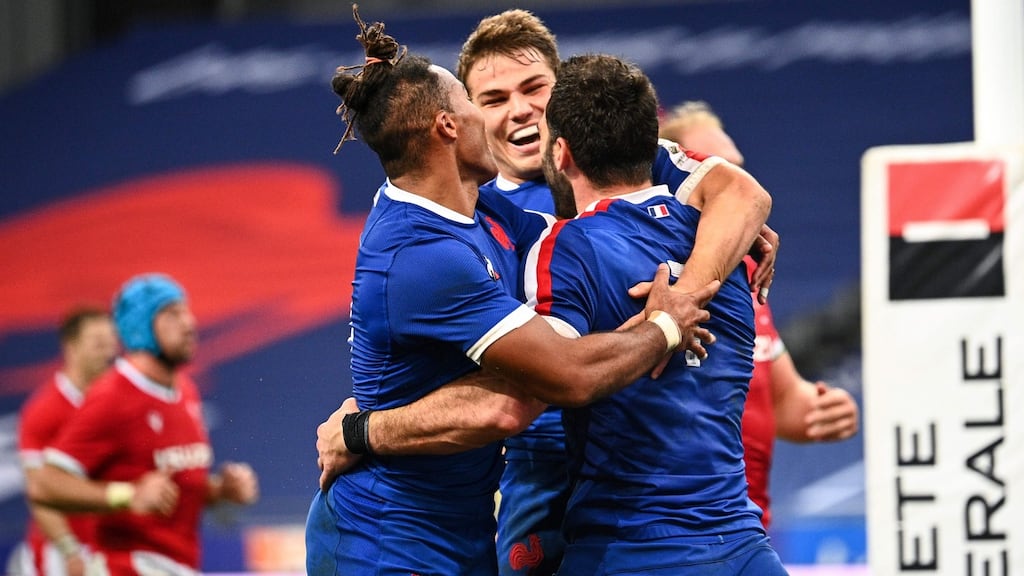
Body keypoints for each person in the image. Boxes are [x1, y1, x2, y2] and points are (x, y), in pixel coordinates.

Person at [305, 8, 769, 576]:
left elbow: (743, 196)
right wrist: (366, 429)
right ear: (450, 124)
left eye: (535, 91)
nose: (518, 111)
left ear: (564, 109)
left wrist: (696, 272)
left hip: (502, 508)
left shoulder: (504, 200)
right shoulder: (437, 242)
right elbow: (522, 395)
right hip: (459, 503)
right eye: (488, 100)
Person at [530, 52, 787, 575]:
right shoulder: (730, 252)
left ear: (561, 153)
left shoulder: (565, 248)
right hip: (744, 551)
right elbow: (744, 192)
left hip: (626, 552)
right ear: (657, 144)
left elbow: (552, 377)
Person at [659, 100, 860, 528]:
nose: (739, 186)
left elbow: (785, 401)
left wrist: (819, 410)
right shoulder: (653, 278)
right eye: (718, 171)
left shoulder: (748, 274)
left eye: (740, 169)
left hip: (747, 531)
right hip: (681, 531)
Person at [25, 273, 259, 576]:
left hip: (178, 563)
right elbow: (44, 484)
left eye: (186, 311)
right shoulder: (113, 395)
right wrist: (126, 496)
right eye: (172, 314)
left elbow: (171, 489)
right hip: (126, 565)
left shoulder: (184, 390)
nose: (189, 323)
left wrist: (219, 491)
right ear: (141, 326)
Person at [14, 306, 118, 576]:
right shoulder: (43, 412)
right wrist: (68, 549)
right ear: (71, 348)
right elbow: (39, 492)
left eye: (111, 344)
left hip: (112, 545)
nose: (108, 353)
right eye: (98, 345)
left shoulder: (120, 403)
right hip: (62, 555)